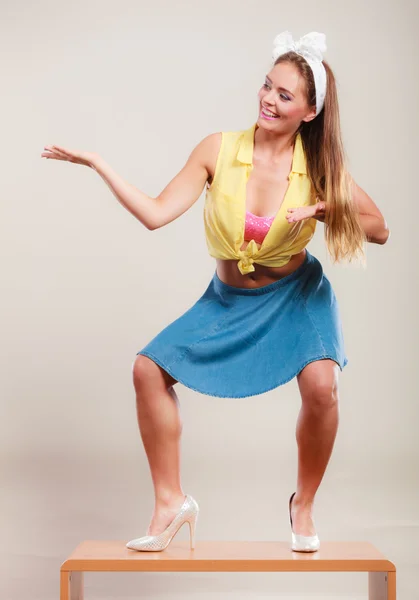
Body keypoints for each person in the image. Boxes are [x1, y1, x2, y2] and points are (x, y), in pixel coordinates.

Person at [41, 31, 390, 554]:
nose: (268, 100)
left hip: (296, 295)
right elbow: (157, 214)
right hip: (229, 301)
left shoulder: (321, 167)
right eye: (267, 86)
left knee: (322, 387)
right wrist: (100, 165)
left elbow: (379, 227)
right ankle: (170, 502)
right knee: (147, 369)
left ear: (310, 112)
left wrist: (325, 209)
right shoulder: (218, 149)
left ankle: (304, 504)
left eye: (285, 95)